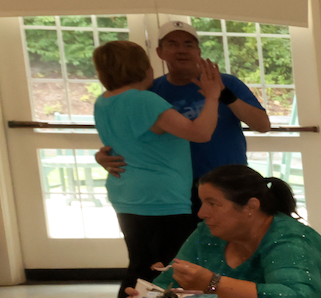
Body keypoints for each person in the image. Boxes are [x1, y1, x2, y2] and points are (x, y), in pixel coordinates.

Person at [91, 39, 219, 298]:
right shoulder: (144, 100)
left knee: (140, 263)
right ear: (142, 68)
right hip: (160, 196)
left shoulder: (103, 102)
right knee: (167, 266)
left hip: (125, 191)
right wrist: (213, 95)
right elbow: (201, 133)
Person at [95, 21, 272, 201]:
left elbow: (263, 125)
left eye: (189, 45)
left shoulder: (227, 83)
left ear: (198, 52)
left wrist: (224, 95)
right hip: (179, 187)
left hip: (230, 182)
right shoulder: (150, 92)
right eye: (172, 44)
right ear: (159, 52)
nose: (182, 50)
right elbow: (127, 132)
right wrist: (104, 155)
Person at [148, 164, 321, 298]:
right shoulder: (207, 234)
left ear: (250, 207)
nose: (202, 213)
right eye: (202, 203)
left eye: (212, 204)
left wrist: (211, 284)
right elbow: (169, 283)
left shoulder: (290, 240)